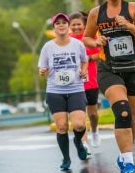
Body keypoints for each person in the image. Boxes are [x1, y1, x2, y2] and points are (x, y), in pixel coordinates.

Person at [83, 0, 135, 173]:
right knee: (122, 111)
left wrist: (129, 25)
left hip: (134, 69)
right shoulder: (96, 13)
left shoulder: (133, 8)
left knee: (131, 119)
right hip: (109, 70)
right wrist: (96, 41)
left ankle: (124, 156)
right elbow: (87, 37)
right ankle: (128, 162)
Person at [38, 13, 89, 171]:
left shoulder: (77, 44)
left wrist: (83, 71)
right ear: (54, 28)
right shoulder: (48, 47)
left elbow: (84, 61)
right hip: (55, 91)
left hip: (75, 89)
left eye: (64, 23)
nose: (61, 25)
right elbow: (42, 67)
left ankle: (78, 142)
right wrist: (43, 70)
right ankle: (66, 158)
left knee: (79, 125)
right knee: (61, 127)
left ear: (68, 26)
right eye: (57, 23)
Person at [69, 11, 101, 156]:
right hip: (75, 83)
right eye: (73, 25)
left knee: (92, 113)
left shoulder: (90, 37)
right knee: (80, 115)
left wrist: (85, 58)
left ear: (84, 25)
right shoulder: (67, 40)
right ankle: (84, 144)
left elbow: (99, 54)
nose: (76, 27)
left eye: (79, 24)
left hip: (90, 80)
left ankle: (94, 131)